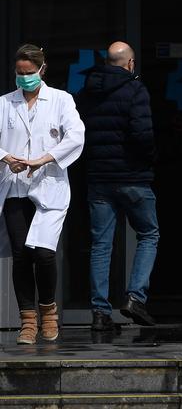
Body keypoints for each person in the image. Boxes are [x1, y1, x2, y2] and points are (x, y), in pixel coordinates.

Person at [1, 44, 85, 344]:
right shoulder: (4, 103)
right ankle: (27, 320)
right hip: (14, 187)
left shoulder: (61, 100)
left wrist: (42, 159)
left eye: (29, 73)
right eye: (19, 73)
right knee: (22, 254)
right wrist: (6, 157)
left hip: (49, 186)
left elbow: (76, 137)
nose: (24, 79)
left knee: (45, 253)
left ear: (42, 69)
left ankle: (49, 313)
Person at [76, 41, 159, 330]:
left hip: (99, 178)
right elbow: (143, 135)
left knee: (101, 244)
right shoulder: (136, 90)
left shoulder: (88, 92)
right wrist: (148, 161)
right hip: (133, 178)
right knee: (149, 234)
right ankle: (135, 297)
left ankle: (100, 313)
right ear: (130, 64)